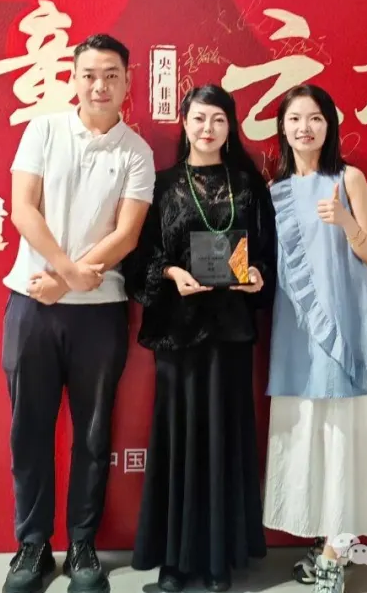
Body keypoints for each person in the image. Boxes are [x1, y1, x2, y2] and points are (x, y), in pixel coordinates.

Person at [0, 33, 155, 593]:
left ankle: (83, 544)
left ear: (128, 82)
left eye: (111, 75)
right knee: (30, 429)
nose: (99, 85)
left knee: (93, 433)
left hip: (99, 312)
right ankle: (33, 546)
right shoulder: (43, 130)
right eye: (89, 74)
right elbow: (23, 209)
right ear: (73, 78)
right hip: (32, 304)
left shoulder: (137, 152)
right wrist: (65, 272)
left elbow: (127, 234)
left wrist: (64, 281)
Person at [125, 84, 276, 593]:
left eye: (217, 119)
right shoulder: (163, 184)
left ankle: (217, 561)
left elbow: (267, 253)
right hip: (179, 331)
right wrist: (171, 274)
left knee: (223, 442)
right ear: (184, 125)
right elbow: (141, 256)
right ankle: (174, 562)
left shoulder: (248, 185)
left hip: (230, 332)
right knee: (178, 443)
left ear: (230, 127)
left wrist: (256, 275)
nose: (207, 129)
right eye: (198, 119)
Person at [262, 84, 367, 593]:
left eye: (315, 118)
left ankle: (334, 553)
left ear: (330, 126)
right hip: (295, 332)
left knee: (344, 434)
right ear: (282, 128)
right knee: (308, 433)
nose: (305, 128)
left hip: (345, 324)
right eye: (295, 119)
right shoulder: (275, 190)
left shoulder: (349, 178)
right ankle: (328, 540)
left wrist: (344, 218)